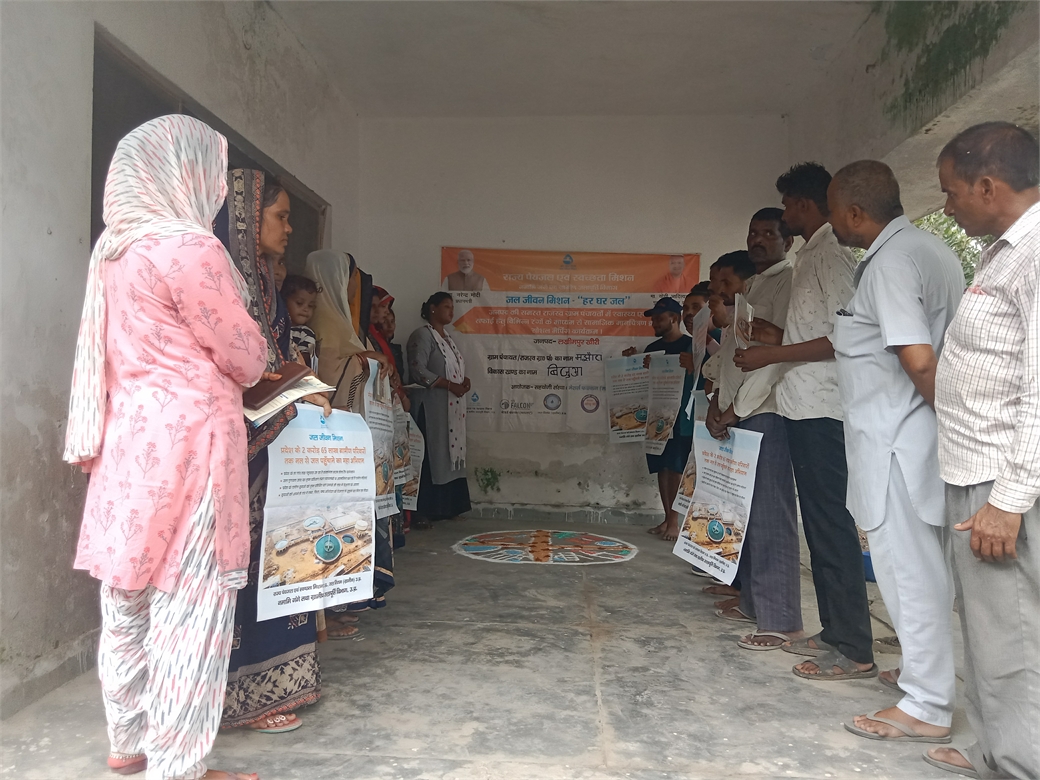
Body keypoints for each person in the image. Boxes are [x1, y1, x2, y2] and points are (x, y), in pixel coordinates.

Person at [65, 116, 265, 780]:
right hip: (191, 448)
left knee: (126, 596)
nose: (217, 188)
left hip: (127, 444)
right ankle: (178, 765)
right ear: (185, 173)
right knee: (191, 606)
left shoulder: (113, 252)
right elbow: (245, 358)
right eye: (212, 172)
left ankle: (128, 743)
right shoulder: (190, 248)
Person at [825, 160, 963, 741]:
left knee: (909, 574)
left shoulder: (888, 264)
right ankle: (924, 676)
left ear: (855, 212)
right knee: (927, 570)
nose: (833, 223)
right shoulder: (931, 250)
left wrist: (957, 426)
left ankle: (926, 705)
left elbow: (919, 361)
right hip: (916, 438)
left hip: (897, 444)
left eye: (834, 212)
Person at [731, 163, 875, 678]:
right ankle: (835, 631)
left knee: (831, 526)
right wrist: (774, 340)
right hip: (802, 405)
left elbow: (843, 338)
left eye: (788, 206)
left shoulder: (830, 256)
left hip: (823, 408)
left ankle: (853, 646)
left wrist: (771, 355)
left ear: (803, 206)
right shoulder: (811, 254)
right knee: (818, 526)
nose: (784, 215)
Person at [929, 122, 1040, 780]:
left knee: (1012, 639)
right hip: (979, 474)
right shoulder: (1005, 252)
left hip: (1002, 484)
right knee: (990, 631)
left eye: (951, 193)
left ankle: (1019, 764)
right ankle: (996, 750)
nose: (947, 207)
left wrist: (1009, 500)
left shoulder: (1036, 254)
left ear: (989, 186)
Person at [217, 170, 329, 734]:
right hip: (234, 452)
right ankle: (238, 696)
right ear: (246, 218)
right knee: (242, 568)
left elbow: (275, 362)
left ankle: (282, 680)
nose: (288, 229)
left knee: (283, 556)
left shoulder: (264, 284)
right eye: (280, 217)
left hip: (274, 445)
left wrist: (302, 387)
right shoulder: (222, 283)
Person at [706, 211, 803, 651]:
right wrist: (719, 403)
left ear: (787, 240)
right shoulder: (754, 286)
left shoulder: (788, 282)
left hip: (765, 411)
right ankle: (753, 602)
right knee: (744, 514)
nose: (758, 240)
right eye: (753, 233)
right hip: (740, 411)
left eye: (769, 233)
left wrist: (734, 409)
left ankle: (781, 619)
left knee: (769, 516)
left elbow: (772, 360)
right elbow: (732, 354)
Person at [306, 250, 397, 629]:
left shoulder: (341, 323)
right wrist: (362, 360)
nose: (351, 289)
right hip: (328, 442)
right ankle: (331, 607)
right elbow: (327, 376)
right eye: (348, 281)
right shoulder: (321, 323)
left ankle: (350, 595)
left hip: (352, 440)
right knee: (333, 521)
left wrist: (367, 359)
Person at [621, 297, 695, 542]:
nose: (654, 323)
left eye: (659, 318)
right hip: (656, 417)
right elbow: (644, 384)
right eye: (653, 319)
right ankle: (666, 518)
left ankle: (674, 522)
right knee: (661, 468)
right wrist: (632, 362)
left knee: (676, 469)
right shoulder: (652, 349)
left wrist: (693, 366)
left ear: (674, 318)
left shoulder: (691, 346)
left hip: (681, 418)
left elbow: (705, 377)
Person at [407, 292, 473, 523]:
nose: (451, 311)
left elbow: (453, 369)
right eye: (446, 306)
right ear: (432, 308)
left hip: (450, 408)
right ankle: (424, 511)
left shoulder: (448, 339)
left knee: (447, 456)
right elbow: (418, 370)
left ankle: (449, 508)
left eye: (452, 307)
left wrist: (463, 381)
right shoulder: (422, 335)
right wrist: (449, 385)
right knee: (432, 455)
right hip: (432, 408)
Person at [282, 274, 320, 370]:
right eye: (299, 303)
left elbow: (303, 360)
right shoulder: (279, 328)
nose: (306, 309)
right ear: (284, 301)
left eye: (310, 306)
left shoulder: (305, 333)